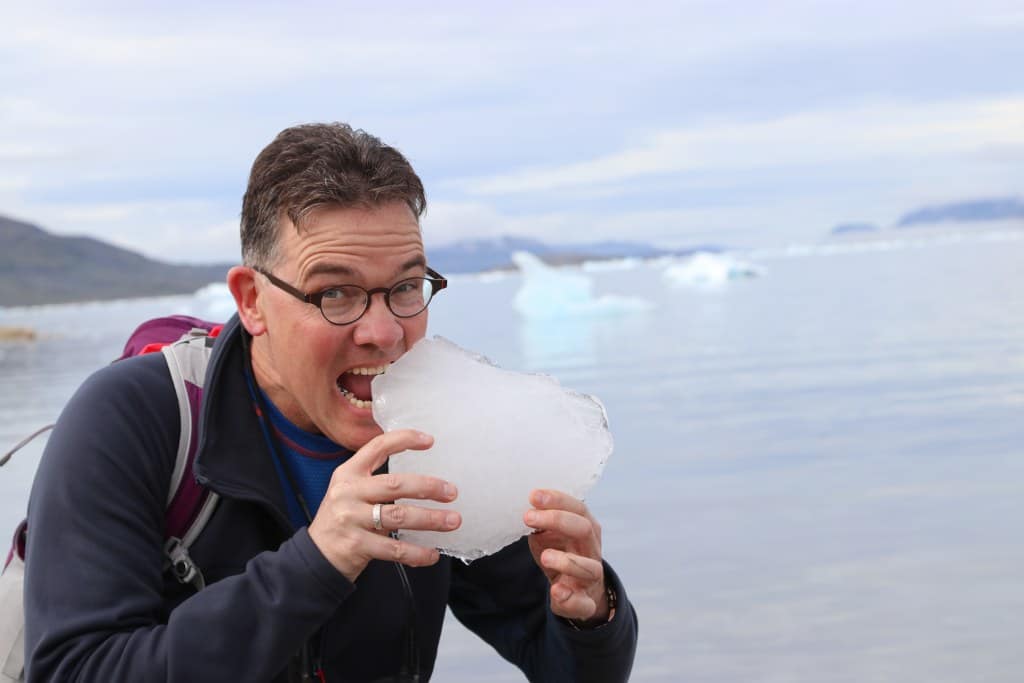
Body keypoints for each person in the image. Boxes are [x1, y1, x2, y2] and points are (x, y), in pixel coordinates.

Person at [23, 123, 638, 682]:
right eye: (336, 294)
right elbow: (75, 670)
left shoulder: (439, 429)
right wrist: (315, 564)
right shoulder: (133, 420)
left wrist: (590, 618)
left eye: (405, 287)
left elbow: (557, 660)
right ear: (253, 301)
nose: (384, 333)